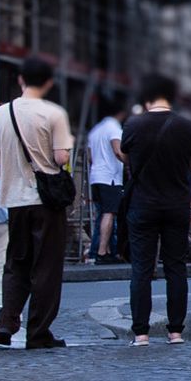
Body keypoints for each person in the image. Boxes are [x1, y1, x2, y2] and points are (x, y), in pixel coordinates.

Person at [0, 57, 72, 348]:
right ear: (48, 82)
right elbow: (61, 158)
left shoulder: (1, 113)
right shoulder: (53, 113)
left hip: (14, 199)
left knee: (16, 263)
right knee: (47, 266)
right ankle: (38, 332)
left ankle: (6, 322)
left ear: (20, 79)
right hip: (46, 200)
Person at [118, 74, 191, 346]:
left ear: (146, 96)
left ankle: (141, 332)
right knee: (176, 266)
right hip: (177, 203)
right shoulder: (186, 125)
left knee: (141, 268)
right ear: (172, 96)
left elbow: (126, 156)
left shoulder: (133, 124)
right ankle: (175, 331)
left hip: (143, 203)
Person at [87, 98, 125, 263]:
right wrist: (130, 161)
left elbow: (89, 156)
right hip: (110, 177)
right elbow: (118, 151)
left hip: (95, 176)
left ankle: (102, 250)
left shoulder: (95, 130)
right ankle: (102, 252)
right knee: (109, 214)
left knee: (101, 214)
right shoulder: (114, 128)